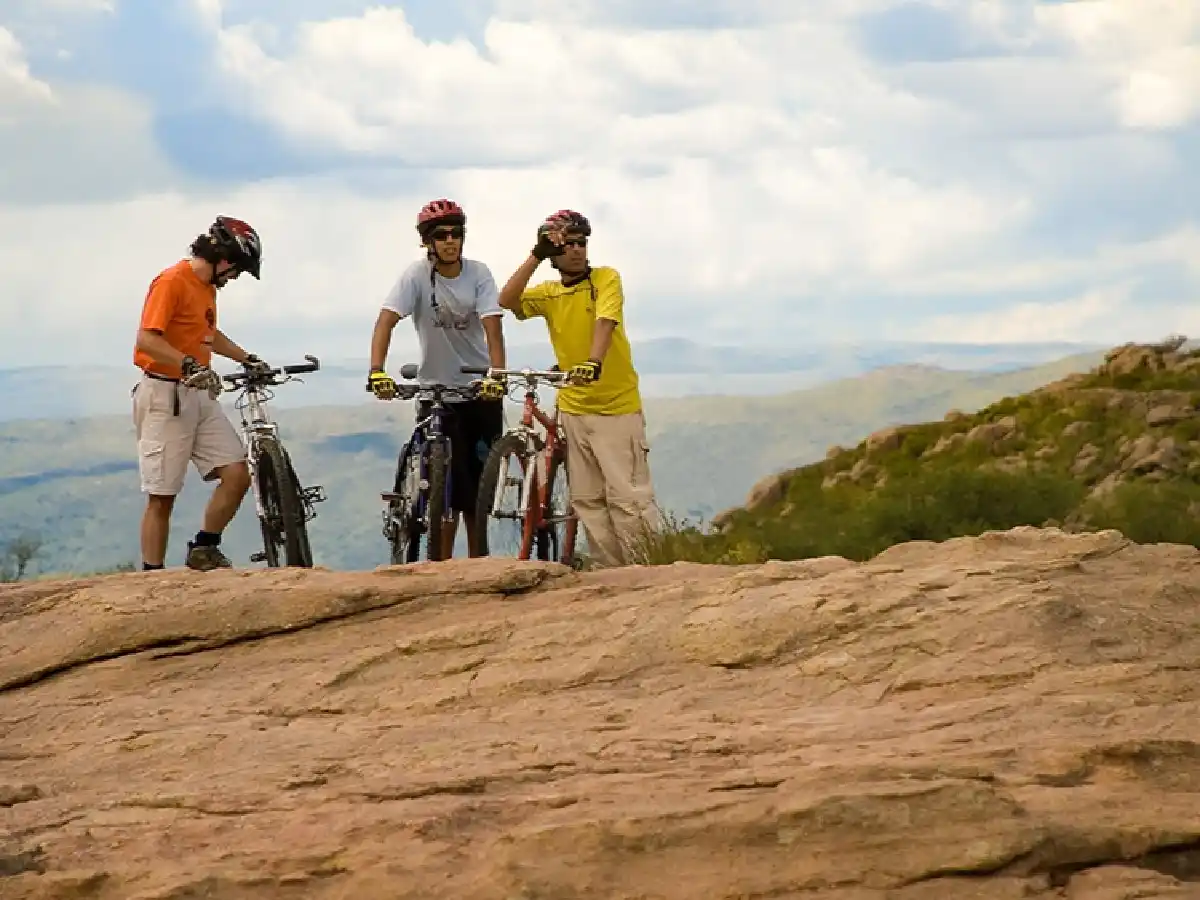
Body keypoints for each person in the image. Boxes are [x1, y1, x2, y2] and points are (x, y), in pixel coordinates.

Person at [497, 208, 661, 567]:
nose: (576, 250)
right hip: (574, 408)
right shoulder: (550, 292)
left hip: (615, 407)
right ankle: (610, 572)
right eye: (566, 245)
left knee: (628, 498)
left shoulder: (605, 278)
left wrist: (593, 361)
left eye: (581, 243)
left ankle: (645, 570)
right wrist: (536, 255)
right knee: (588, 500)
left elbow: (606, 320)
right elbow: (506, 301)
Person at [367, 198, 508, 559]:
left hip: (478, 391)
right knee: (443, 491)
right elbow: (386, 320)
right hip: (436, 392)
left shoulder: (478, 273)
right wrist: (377, 370)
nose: (450, 241)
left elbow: (493, 327)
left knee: (477, 493)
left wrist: (497, 375)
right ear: (427, 241)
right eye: (441, 235)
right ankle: (440, 566)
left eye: (456, 234)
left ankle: (478, 563)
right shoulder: (416, 276)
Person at [132, 215, 271, 572]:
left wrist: (246, 358)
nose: (234, 278)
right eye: (237, 270)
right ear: (223, 259)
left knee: (237, 473)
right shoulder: (171, 282)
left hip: (199, 393)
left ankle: (204, 546)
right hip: (165, 394)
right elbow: (146, 339)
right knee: (162, 496)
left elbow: (208, 334)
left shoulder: (206, 288)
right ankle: (153, 576)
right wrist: (187, 363)